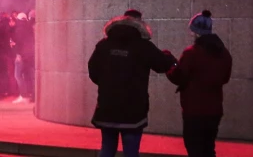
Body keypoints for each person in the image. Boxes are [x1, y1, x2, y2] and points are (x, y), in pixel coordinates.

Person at [88, 14, 176, 157]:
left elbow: (93, 71)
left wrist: (107, 84)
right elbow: (162, 65)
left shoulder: (103, 45)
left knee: (107, 148)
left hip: (107, 107)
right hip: (133, 110)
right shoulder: (144, 46)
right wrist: (169, 57)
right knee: (131, 152)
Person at [167, 11, 233, 157]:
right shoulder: (224, 54)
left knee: (194, 148)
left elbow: (178, 77)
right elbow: (225, 78)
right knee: (208, 148)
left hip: (194, 110)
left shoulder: (192, 53)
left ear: (196, 32)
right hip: (214, 109)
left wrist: (170, 66)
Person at [11, 12, 34, 104]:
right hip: (29, 55)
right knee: (28, 76)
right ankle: (29, 95)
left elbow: (19, 43)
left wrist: (17, 54)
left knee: (18, 75)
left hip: (21, 56)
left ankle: (24, 95)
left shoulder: (19, 29)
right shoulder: (29, 28)